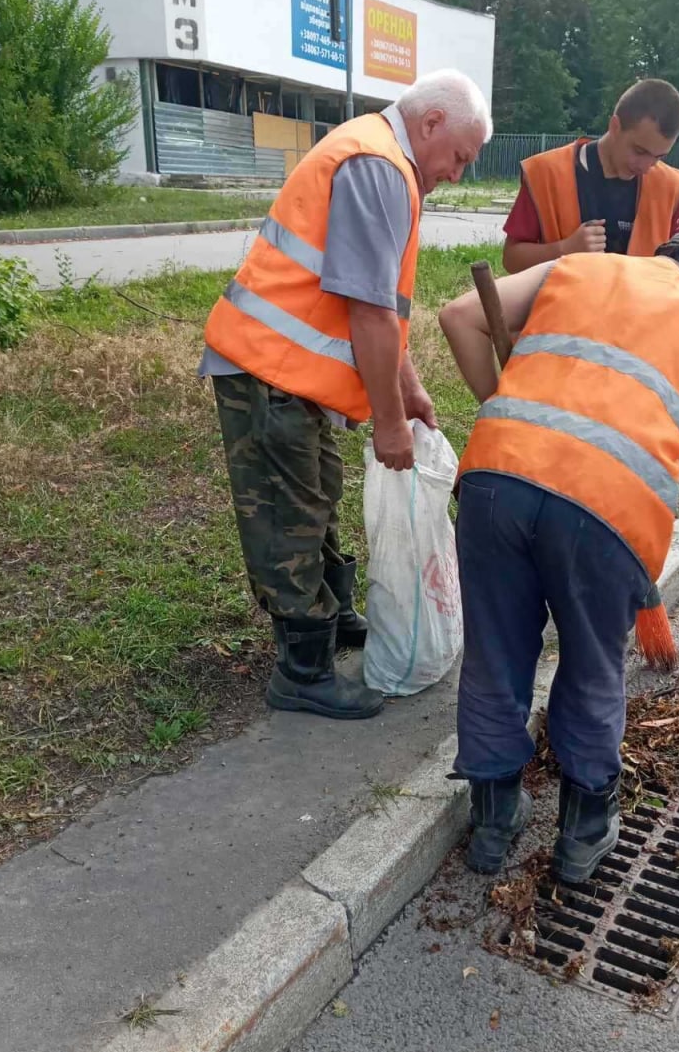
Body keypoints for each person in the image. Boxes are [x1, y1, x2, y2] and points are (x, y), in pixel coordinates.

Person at [439, 234, 679, 883]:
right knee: (590, 664)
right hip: (607, 509)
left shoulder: (579, 267)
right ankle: (583, 836)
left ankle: (493, 825)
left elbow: (458, 315)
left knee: (495, 653)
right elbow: (665, 450)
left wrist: (506, 413)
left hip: (498, 477)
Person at [201, 70, 492, 722]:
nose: (457, 174)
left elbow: (384, 308)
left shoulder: (385, 159)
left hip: (287, 373)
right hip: (265, 370)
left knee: (317, 489)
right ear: (432, 124)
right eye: (459, 158)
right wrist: (388, 423)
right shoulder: (378, 166)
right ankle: (302, 671)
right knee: (288, 512)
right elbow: (365, 310)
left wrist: (409, 389)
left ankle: (331, 621)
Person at [501, 79, 679, 274]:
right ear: (615, 126)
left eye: (659, 157)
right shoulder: (546, 174)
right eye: (639, 151)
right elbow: (511, 259)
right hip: (565, 303)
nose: (646, 166)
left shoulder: (671, 188)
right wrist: (563, 250)